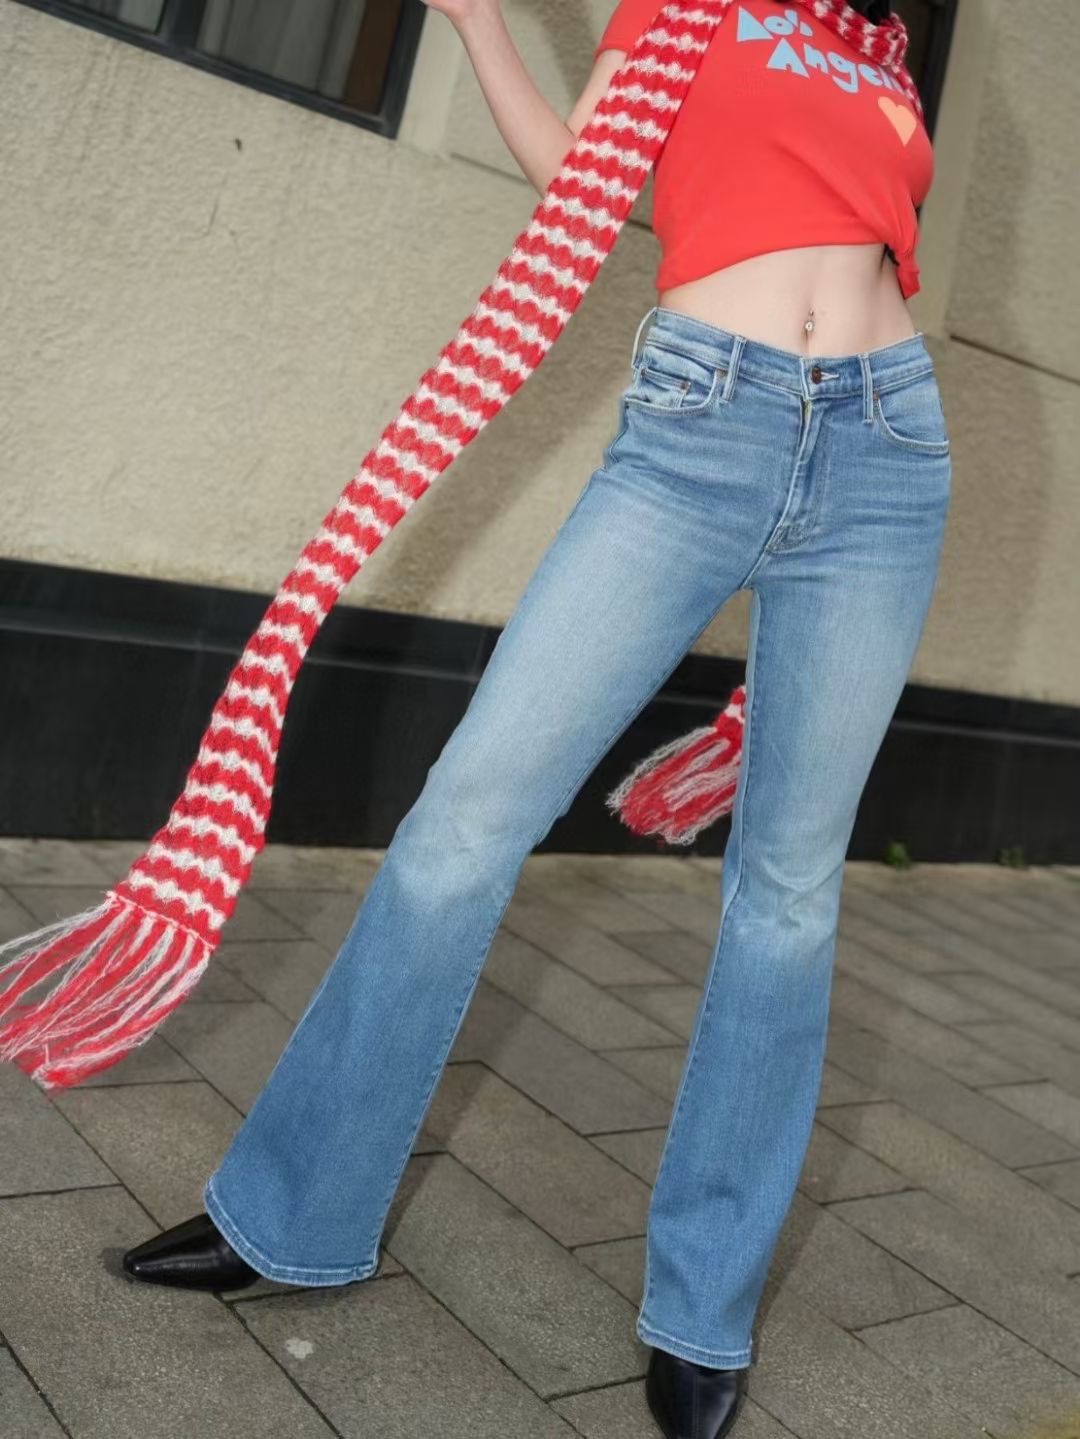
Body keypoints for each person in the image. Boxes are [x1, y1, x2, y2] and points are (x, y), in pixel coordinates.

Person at [122, 2, 950, 1435]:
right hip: (698, 425)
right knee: (466, 820)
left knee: (788, 895)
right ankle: (290, 1215)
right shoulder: (691, 5)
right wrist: (478, 25)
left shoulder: (881, 48)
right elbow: (588, 179)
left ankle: (704, 1310)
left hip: (886, 449)